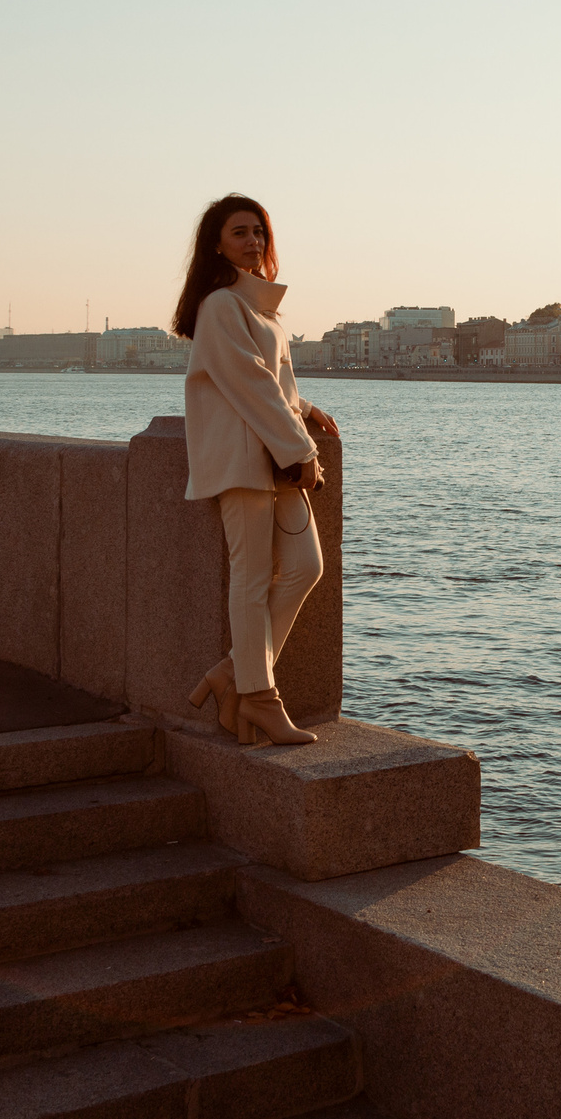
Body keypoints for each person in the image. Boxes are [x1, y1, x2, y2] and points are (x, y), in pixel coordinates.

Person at [172, 193, 340, 746]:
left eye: (259, 232)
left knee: (304, 566)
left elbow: (274, 383)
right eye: (240, 232)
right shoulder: (221, 305)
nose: (253, 242)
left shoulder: (257, 307)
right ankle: (261, 700)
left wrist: (306, 409)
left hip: (269, 456)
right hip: (246, 461)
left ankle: (233, 676)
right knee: (249, 580)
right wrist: (302, 450)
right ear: (216, 244)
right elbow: (249, 383)